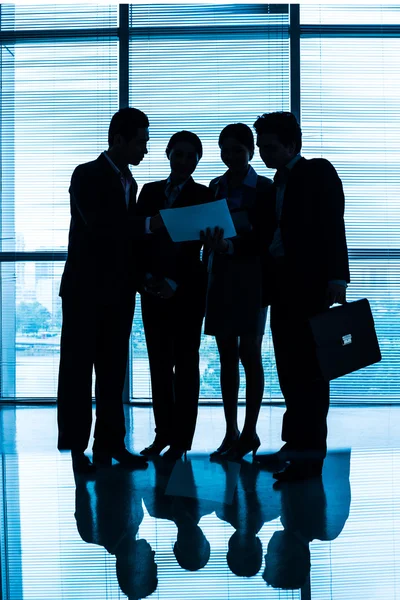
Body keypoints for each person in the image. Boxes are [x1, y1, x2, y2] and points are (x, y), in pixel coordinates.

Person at [57, 107, 163, 474]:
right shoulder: (86, 174)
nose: (145, 150)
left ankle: (109, 445)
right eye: (141, 141)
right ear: (118, 139)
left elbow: (123, 243)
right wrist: (149, 224)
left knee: (113, 370)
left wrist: (140, 277)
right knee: (77, 369)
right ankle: (76, 451)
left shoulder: (128, 182)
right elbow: (103, 227)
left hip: (119, 291)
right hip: (85, 290)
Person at [252, 111, 350, 482]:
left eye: (270, 146)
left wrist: (338, 276)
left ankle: (310, 459)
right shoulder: (274, 184)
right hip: (281, 286)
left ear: (292, 145)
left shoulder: (316, 172)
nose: (263, 153)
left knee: (310, 373)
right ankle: (295, 446)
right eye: (261, 146)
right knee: (290, 370)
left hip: (309, 285)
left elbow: (332, 222)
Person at [136, 131, 213, 461]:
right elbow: (136, 238)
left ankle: (181, 439)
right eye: (178, 154)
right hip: (152, 289)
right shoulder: (150, 191)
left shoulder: (204, 195)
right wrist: (147, 278)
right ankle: (162, 435)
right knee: (158, 365)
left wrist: (173, 281)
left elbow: (195, 247)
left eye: (190, 156)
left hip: (186, 290)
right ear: (167, 155)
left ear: (197, 160)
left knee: (185, 364)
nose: (183, 161)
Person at [201, 123, 272, 460]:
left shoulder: (264, 188)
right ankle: (231, 431)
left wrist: (228, 244)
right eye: (225, 150)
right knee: (227, 357)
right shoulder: (215, 186)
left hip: (251, 276)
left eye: (237, 150)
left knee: (250, 355)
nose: (230, 156)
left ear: (251, 151)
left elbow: (264, 238)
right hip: (221, 275)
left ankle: (250, 431)